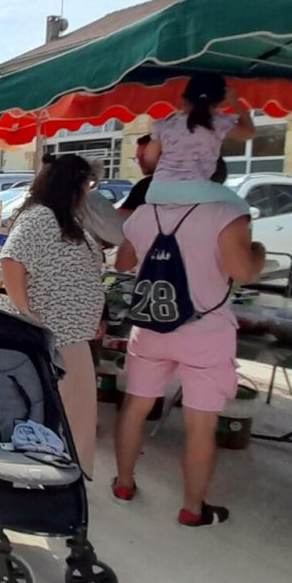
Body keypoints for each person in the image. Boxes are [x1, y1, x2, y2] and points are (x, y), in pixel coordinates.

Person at [112, 169, 267, 528]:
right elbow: (244, 272)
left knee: (135, 408)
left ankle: (123, 485)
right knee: (200, 424)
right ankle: (193, 509)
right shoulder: (226, 213)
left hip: (151, 325)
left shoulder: (144, 213)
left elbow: (122, 263)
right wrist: (257, 251)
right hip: (205, 332)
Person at [0, 154, 105, 475]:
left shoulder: (63, 219)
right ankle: (60, 474)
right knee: (68, 412)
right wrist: (25, 311)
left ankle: (71, 475)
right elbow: (11, 260)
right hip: (54, 334)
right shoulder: (41, 217)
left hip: (70, 334)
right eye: (86, 184)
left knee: (77, 413)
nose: (88, 191)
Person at [141, 73, 255, 209]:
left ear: (184, 99)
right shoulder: (218, 124)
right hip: (197, 190)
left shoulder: (165, 125)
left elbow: (149, 158)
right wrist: (235, 102)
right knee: (241, 208)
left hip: (157, 191)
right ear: (220, 101)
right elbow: (250, 132)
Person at [118, 134, 155, 218]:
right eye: (138, 158)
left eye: (144, 157)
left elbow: (122, 215)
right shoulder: (144, 184)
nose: (140, 162)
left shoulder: (146, 185)